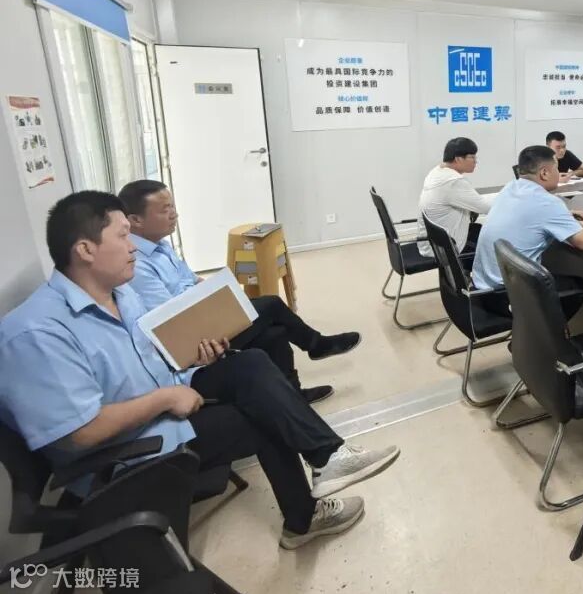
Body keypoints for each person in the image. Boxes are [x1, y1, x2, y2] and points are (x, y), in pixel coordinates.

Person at [0, 192, 401, 549]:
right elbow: (80, 433)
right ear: (86, 250)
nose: (132, 246)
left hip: (166, 403)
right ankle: (304, 518)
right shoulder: (35, 333)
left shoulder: (120, 294)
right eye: (122, 236)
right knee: (263, 415)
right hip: (128, 452)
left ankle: (328, 457)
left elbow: (152, 360)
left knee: (252, 364)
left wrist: (194, 359)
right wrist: (166, 397)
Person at [119, 180, 358, 405]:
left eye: (172, 206)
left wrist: (219, 295)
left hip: (203, 317)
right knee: (271, 305)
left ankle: (293, 396)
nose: (174, 214)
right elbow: (171, 318)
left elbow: (192, 280)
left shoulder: (161, 245)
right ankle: (316, 344)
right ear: (135, 220)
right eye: (165, 210)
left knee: (275, 333)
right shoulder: (138, 264)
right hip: (193, 340)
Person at [471, 145, 583, 317]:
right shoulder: (547, 203)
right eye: (556, 168)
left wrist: (564, 216)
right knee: (579, 285)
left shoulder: (510, 187)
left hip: (484, 290)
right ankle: (549, 332)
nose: (559, 173)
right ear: (544, 173)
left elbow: (527, 213)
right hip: (511, 297)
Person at [417, 137, 494, 258]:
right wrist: (507, 195)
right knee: (496, 242)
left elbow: (474, 201)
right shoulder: (453, 181)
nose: (476, 161)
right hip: (446, 248)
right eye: (472, 157)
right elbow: (487, 208)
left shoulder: (437, 172)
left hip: (432, 241)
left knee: (480, 230)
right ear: (458, 159)